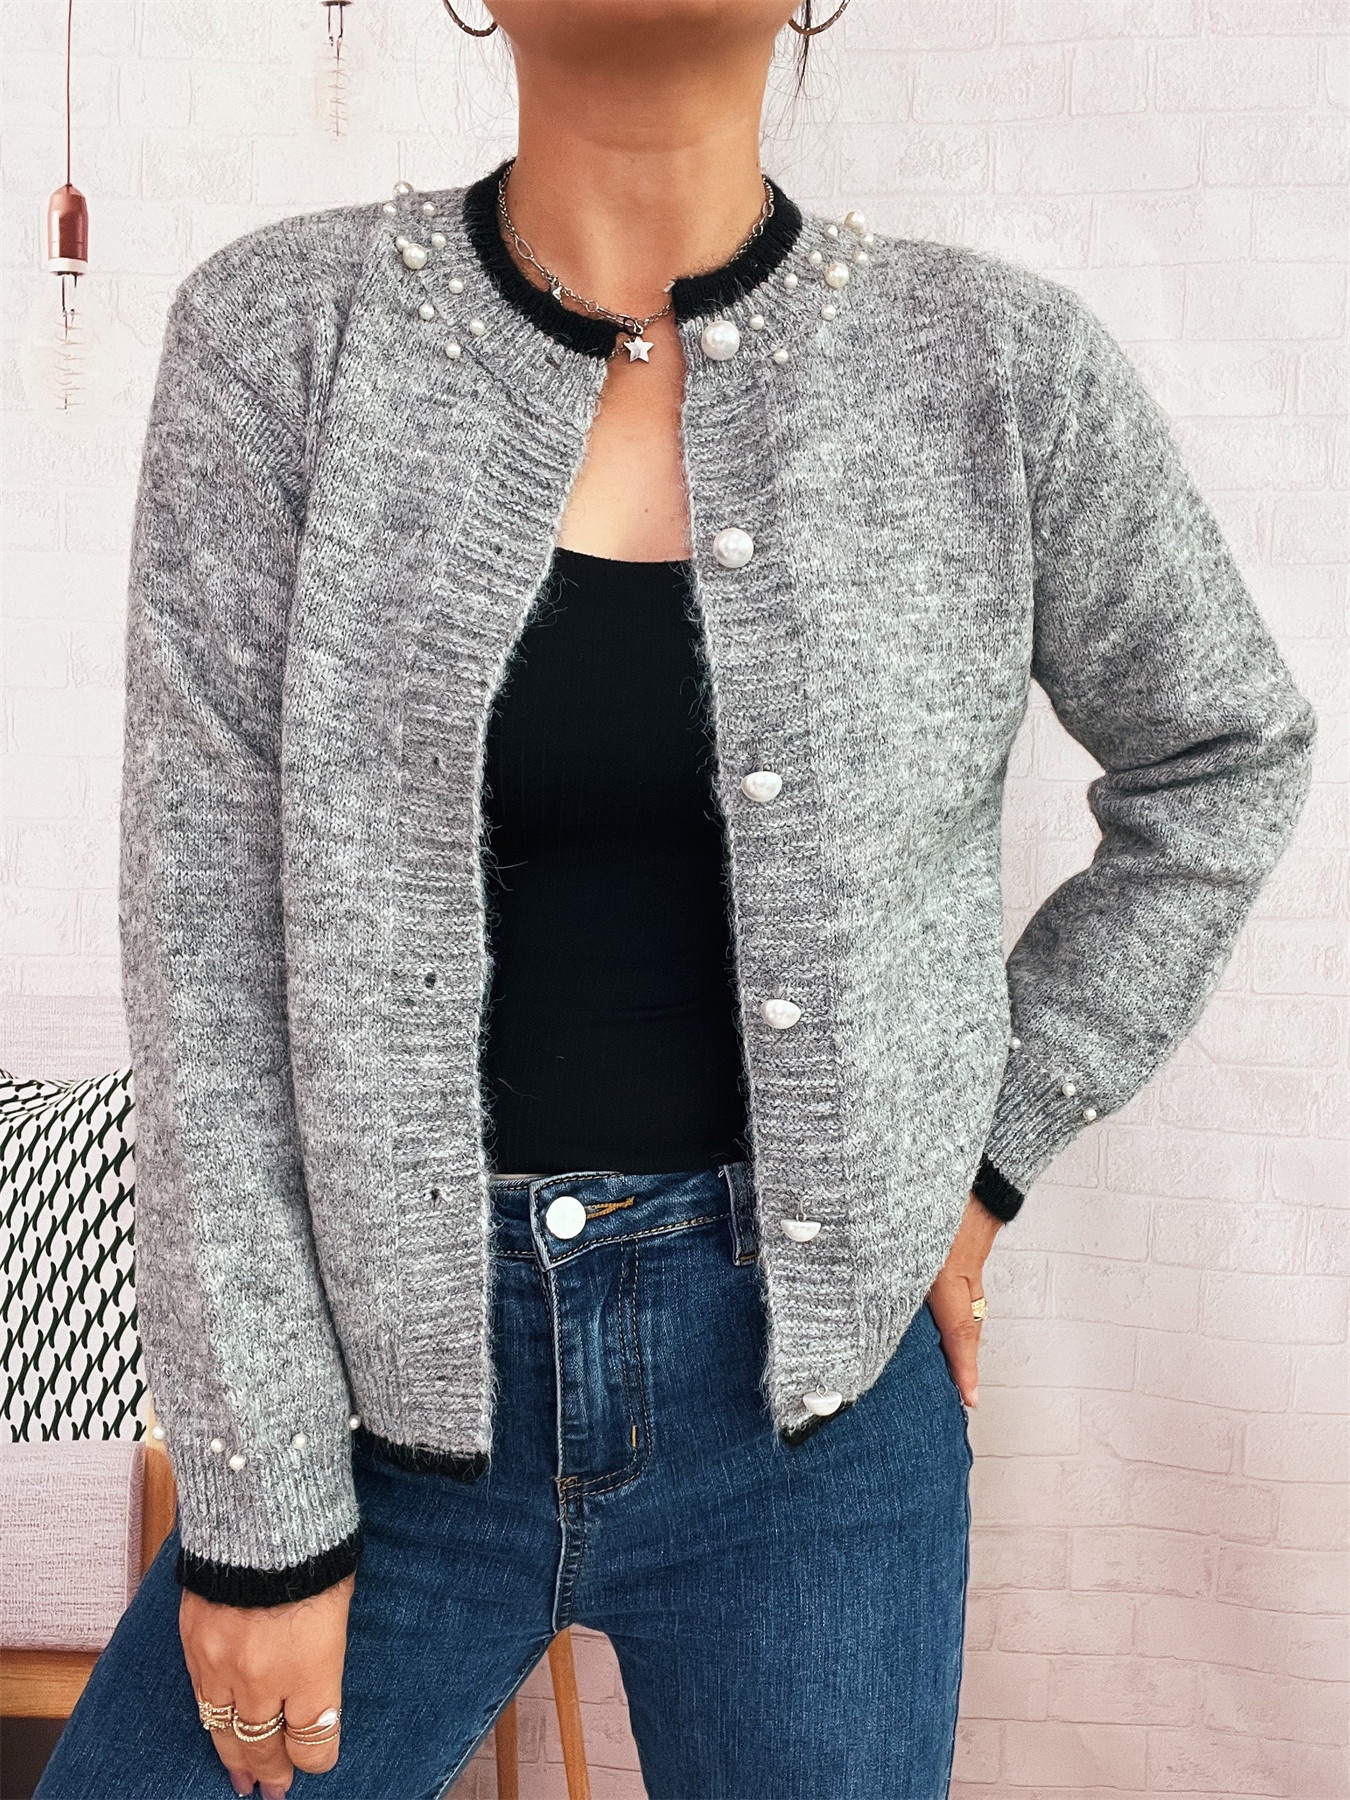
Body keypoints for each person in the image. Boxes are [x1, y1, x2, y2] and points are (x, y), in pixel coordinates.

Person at [35, 2, 1317, 1797]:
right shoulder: (286, 337)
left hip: (817, 1421)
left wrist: (984, 1156)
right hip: (375, 1403)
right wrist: (260, 1507)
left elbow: (1224, 750)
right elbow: (205, 951)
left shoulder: (995, 363)